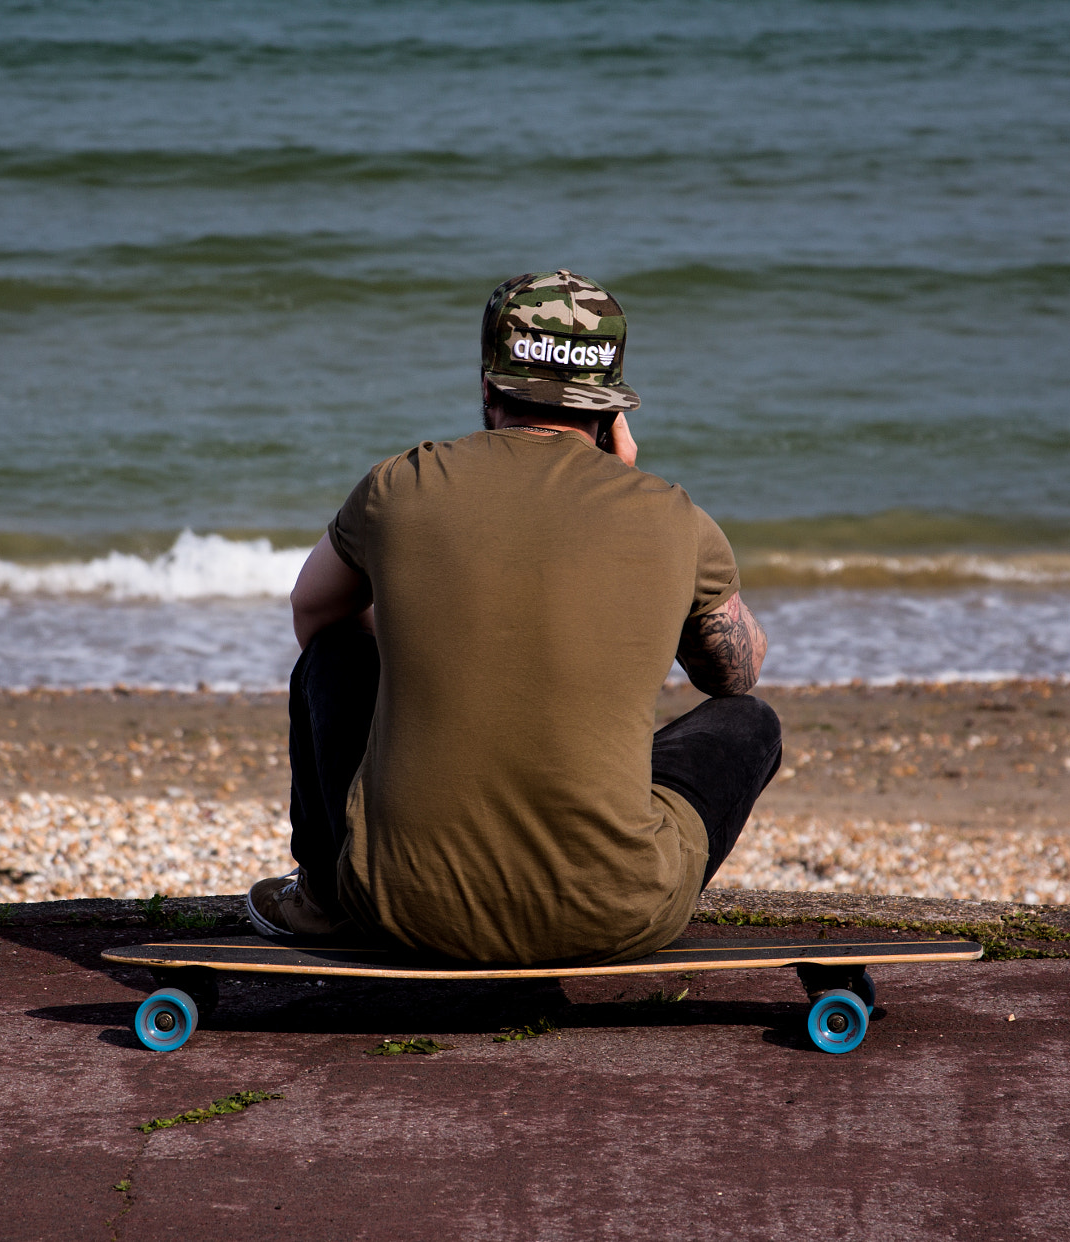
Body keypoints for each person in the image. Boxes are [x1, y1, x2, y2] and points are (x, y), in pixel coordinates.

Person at [248, 270, 778, 965]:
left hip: (398, 905)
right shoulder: (673, 515)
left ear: (489, 385)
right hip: (617, 913)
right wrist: (629, 491)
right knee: (750, 724)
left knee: (336, 655)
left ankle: (323, 899)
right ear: (612, 408)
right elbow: (735, 675)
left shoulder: (401, 484)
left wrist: (425, 649)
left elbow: (314, 614)